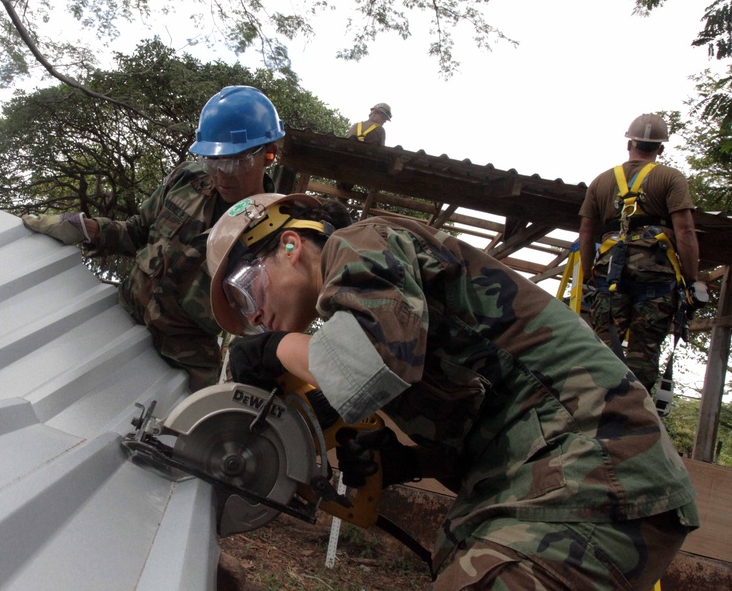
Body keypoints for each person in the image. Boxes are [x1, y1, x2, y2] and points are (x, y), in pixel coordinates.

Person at [206, 192, 698, 589]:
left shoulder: (361, 241)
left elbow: (361, 367)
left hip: (597, 476)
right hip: (570, 485)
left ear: (290, 244)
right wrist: (407, 462)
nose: (252, 317)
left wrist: (273, 351)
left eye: (246, 289)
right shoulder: (368, 309)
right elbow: (486, 419)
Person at [22, 86, 283, 391]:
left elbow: (260, 319)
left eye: (232, 163)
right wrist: (84, 228)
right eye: (212, 161)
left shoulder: (274, 233)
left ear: (267, 156)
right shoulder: (186, 179)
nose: (220, 175)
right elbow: (136, 233)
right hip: (122, 316)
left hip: (185, 358)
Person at [578, 113, 708, 393]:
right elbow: (684, 231)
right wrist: (691, 278)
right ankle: (633, 412)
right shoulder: (671, 178)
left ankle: (595, 401)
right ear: (660, 148)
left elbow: (586, 233)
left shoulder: (601, 181)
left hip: (609, 274)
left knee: (602, 345)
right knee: (644, 349)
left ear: (629, 144)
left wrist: (590, 274)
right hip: (655, 275)